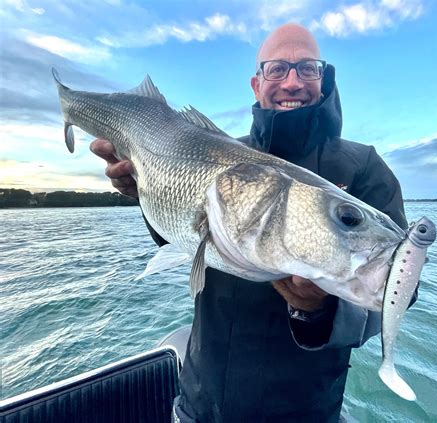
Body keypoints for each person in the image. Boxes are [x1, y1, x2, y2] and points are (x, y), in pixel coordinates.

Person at [91, 23, 408, 423]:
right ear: (256, 84)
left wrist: (319, 311)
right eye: (277, 69)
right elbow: (174, 237)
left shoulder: (364, 168)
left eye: (307, 68)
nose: (292, 82)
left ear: (325, 80)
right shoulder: (217, 151)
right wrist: (145, 192)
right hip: (203, 401)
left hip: (307, 411)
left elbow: (397, 287)